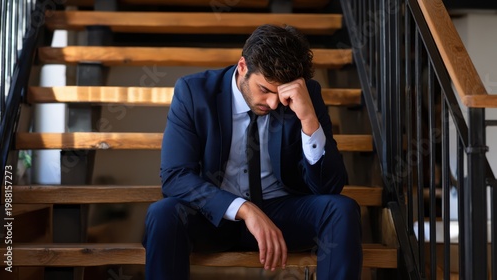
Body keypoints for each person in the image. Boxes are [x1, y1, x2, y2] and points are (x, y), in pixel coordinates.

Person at [143, 24, 362, 279]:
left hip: (282, 213)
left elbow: (329, 187)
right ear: (243, 67)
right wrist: (244, 209)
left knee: (342, 209)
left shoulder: (306, 95)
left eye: (280, 95)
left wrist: (308, 118)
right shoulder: (193, 92)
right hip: (215, 216)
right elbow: (175, 176)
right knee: (163, 214)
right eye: (265, 90)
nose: (272, 103)